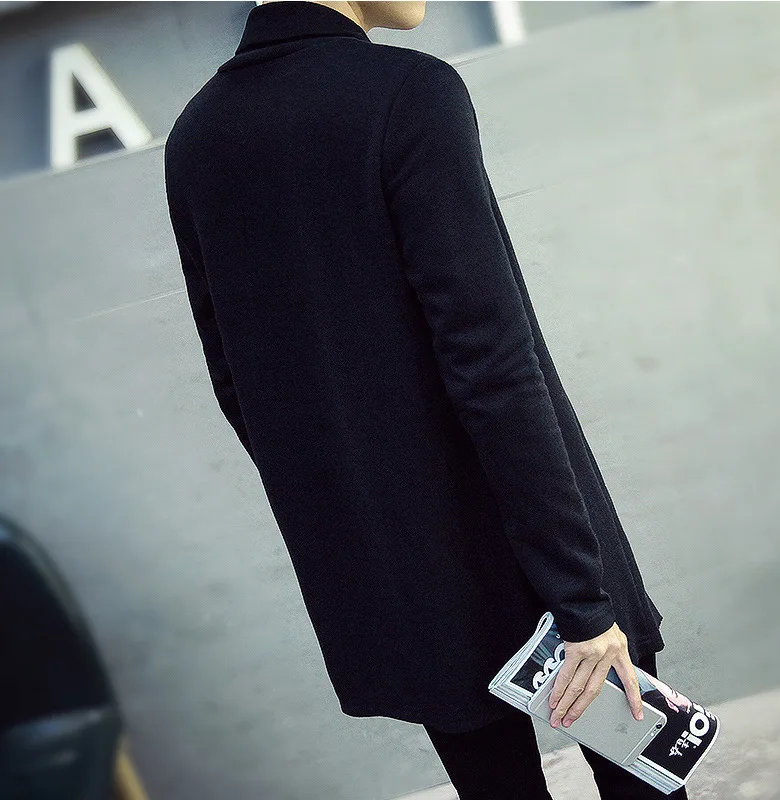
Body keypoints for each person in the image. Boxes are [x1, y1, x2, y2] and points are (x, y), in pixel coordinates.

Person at [163, 2, 686, 798]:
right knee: (641, 776)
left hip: (403, 577)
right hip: (525, 540)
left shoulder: (196, 139)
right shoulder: (407, 92)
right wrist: (583, 597)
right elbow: (491, 361)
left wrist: (372, 523)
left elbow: (235, 383)